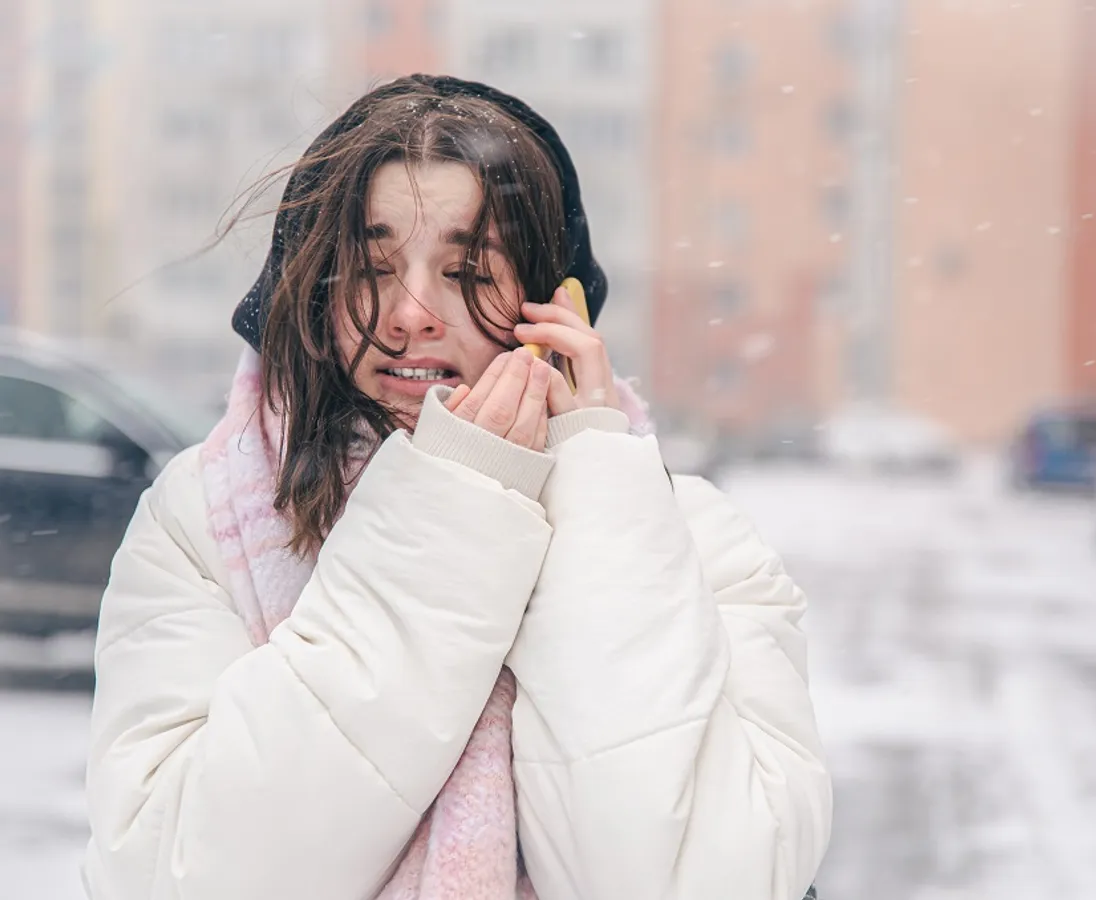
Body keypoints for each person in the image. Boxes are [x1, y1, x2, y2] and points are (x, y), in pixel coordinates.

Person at [83, 75, 832, 900]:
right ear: (311, 294)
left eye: (468, 268)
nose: (410, 314)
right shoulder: (202, 523)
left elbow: (683, 879)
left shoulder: (693, 541)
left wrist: (594, 483)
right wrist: (452, 510)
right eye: (372, 267)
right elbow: (180, 875)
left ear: (554, 304)